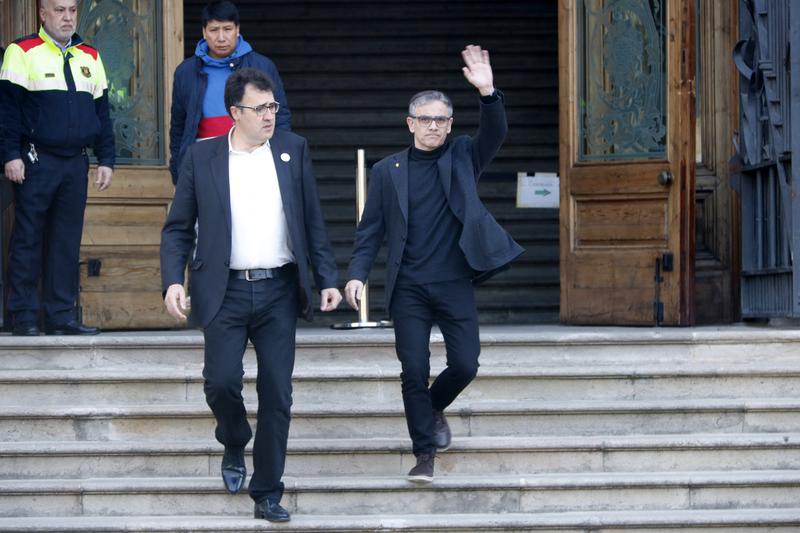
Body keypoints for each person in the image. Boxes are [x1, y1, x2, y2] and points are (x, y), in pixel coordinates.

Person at [160, 67, 341, 522]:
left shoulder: (292, 150)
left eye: (273, 106)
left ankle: (267, 493)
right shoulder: (201, 158)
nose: (269, 116)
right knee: (220, 382)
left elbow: (312, 222)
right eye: (260, 108)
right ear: (234, 112)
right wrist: (173, 281)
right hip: (224, 290)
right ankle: (234, 438)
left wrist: (329, 278)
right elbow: (178, 228)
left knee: (278, 393)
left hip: (279, 289)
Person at [345, 45, 523, 482]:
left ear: (450, 124)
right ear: (411, 124)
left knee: (466, 364)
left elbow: (494, 134)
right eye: (425, 119)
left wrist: (488, 93)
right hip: (408, 287)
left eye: (441, 119)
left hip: (453, 282)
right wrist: (356, 274)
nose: (433, 127)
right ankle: (424, 453)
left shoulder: (462, 155)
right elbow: (371, 230)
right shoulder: (388, 171)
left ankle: (432, 406)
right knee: (414, 371)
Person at [0, 0, 114, 336]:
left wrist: (106, 158)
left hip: (75, 162)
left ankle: (61, 315)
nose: (67, 17)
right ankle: (22, 316)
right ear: (43, 14)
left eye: (72, 10)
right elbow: (7, 111)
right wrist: (10, 155)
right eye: (59, 10)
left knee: (66, 241)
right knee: (28, 239)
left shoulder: (90, 55)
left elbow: (103, 113)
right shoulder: (21, 51)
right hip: (35, 160)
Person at [169, 0, 291, 185]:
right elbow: (178, 126)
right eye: (214, 29)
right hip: (204, 158)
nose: (221, 37)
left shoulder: (262, 66)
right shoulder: (185, 72)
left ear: (237, 29)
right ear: (204, 32)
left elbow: (280, 117)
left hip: (254, 155)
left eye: (227, 29)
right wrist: (177, 171)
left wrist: (282, 159)